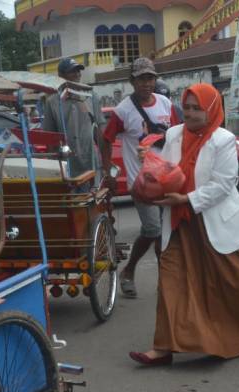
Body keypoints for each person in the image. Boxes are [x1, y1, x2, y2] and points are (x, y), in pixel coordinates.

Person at [129, 83, 239, 365]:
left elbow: (225, 183)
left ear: (211, 109)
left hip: (213, 219)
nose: (189, 114)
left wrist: (187, 199)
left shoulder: (223, 139)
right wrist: (150, 162)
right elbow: (166, 171)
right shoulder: (174, 134)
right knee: (171, 279)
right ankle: (163, 347)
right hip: (178, 222)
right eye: (186, 107)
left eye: (196, 108)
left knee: (237, 282)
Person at [103, 57, 180, 298]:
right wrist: (109, 172)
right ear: (132, 82)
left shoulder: (166, 104)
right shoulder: (123, 110)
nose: (146, 83)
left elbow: (177, 136)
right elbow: (105, 140)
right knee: (153, 229)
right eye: (141, 79)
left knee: (164, 231)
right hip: (141, 182)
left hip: (166, 178)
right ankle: (133, 271)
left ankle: (151, 276)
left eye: (150, 78)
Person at [42, 57, 110, 185]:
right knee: (73, 201)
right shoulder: (53, 102)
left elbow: (99, 132)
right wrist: (54, 167)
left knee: (94, 199)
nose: (77, 74)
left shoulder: (90, 96)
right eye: (72, 71)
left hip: (90, 160)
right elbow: (50, 138)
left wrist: (106, 163)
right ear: (61, 76)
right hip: (67, 163)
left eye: (78, 71)